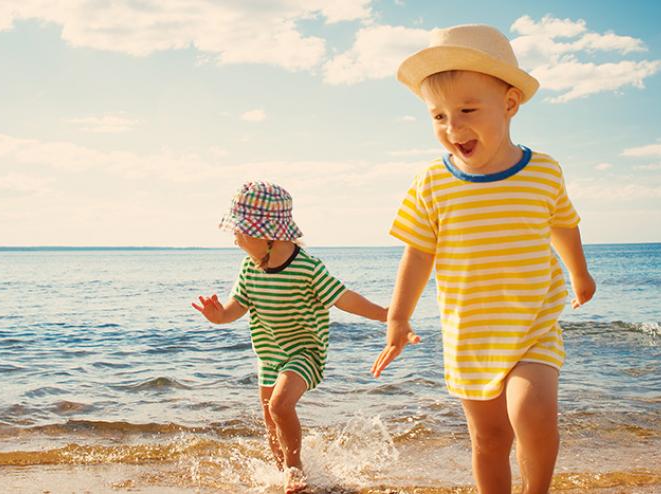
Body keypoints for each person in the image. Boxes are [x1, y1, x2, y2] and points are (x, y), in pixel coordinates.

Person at [370, 24, 597, 494]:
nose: (453, 129)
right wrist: (398, 317)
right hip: (469, 336)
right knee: (489, 438)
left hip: (533, 326)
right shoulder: (432, 182)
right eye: (438, 117)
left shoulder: (543, 171)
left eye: (467, 110)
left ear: (509, 104)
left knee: (531, 415)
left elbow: (563, 223)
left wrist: (580, 274)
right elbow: (417, 254)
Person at [193, 181, 389, 494]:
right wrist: (219, 316)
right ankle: (283, 474)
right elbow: (236, 306)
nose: (234, 238)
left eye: (239, 231)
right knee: (271, 418)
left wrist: (384, 314)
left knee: (280, 407)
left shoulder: (307, 268)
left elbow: (343, 297)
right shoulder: (249, 268)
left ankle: (295, 468)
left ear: (265, 233)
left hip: (305, 351)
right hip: (269, 354)